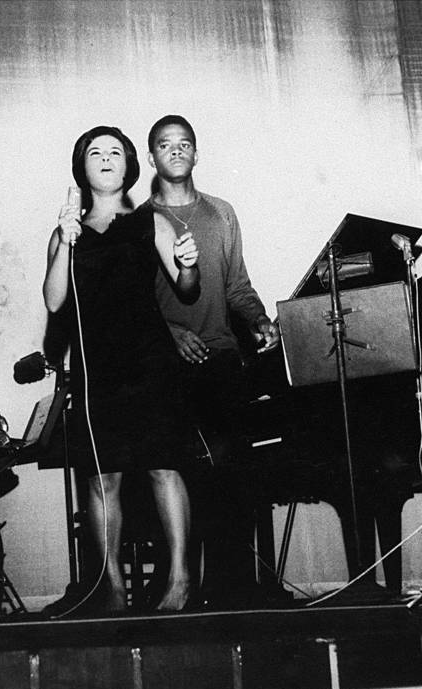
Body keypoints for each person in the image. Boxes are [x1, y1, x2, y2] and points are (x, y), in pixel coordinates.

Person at [43, 125, 199, 613]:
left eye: (116, 152)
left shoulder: (150, 221)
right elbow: (54, 301)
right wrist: (67, 241)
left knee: (163, 467)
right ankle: (110, 587)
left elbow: (187, 287)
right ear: (82, 166)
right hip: (98, 367)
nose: (107, 158)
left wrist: (189, 263)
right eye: (96, 152)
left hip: (150, 361)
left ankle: (179, 581)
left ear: (130, 165)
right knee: (101, 479)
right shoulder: (65, 230)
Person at [139, 115, 281, 608]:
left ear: (196, 154)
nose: (175, 151)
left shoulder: (222, 213)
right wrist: (170, 334)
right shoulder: (139, 223)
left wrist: (259, 319)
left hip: (221, 358)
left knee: (233, 471)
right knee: (182, 477)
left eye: (184, 144)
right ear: (152, 156)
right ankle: (184, 588)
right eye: (164, 144)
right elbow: (131, 306)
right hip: (166, 368)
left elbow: (237, 285)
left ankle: (234, 591)